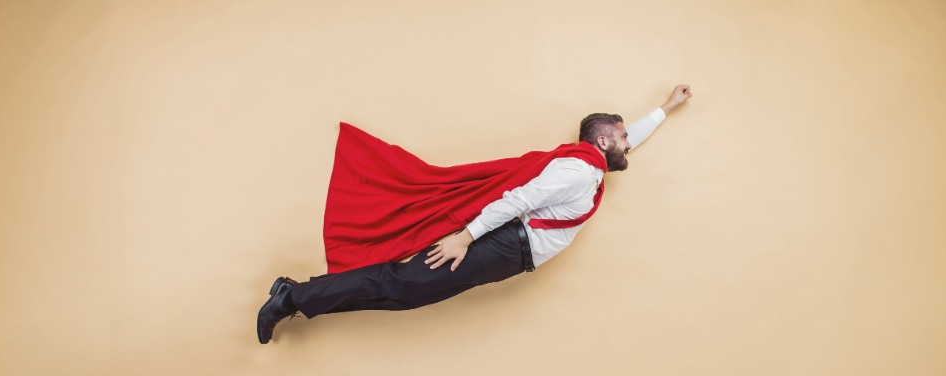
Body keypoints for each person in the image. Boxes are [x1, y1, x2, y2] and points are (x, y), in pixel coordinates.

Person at [257, 85, 693, 344]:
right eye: (621, 139)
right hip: (498, 245)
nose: (628, 144)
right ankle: (292, 297)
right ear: (602, 144)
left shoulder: (589, 163)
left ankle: (302, 298)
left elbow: (627, 135)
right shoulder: (579, 173)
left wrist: (667, 106)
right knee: (398, 283)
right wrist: (465, 238)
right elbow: (518, 200)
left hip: (508, 254)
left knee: (406, 295)